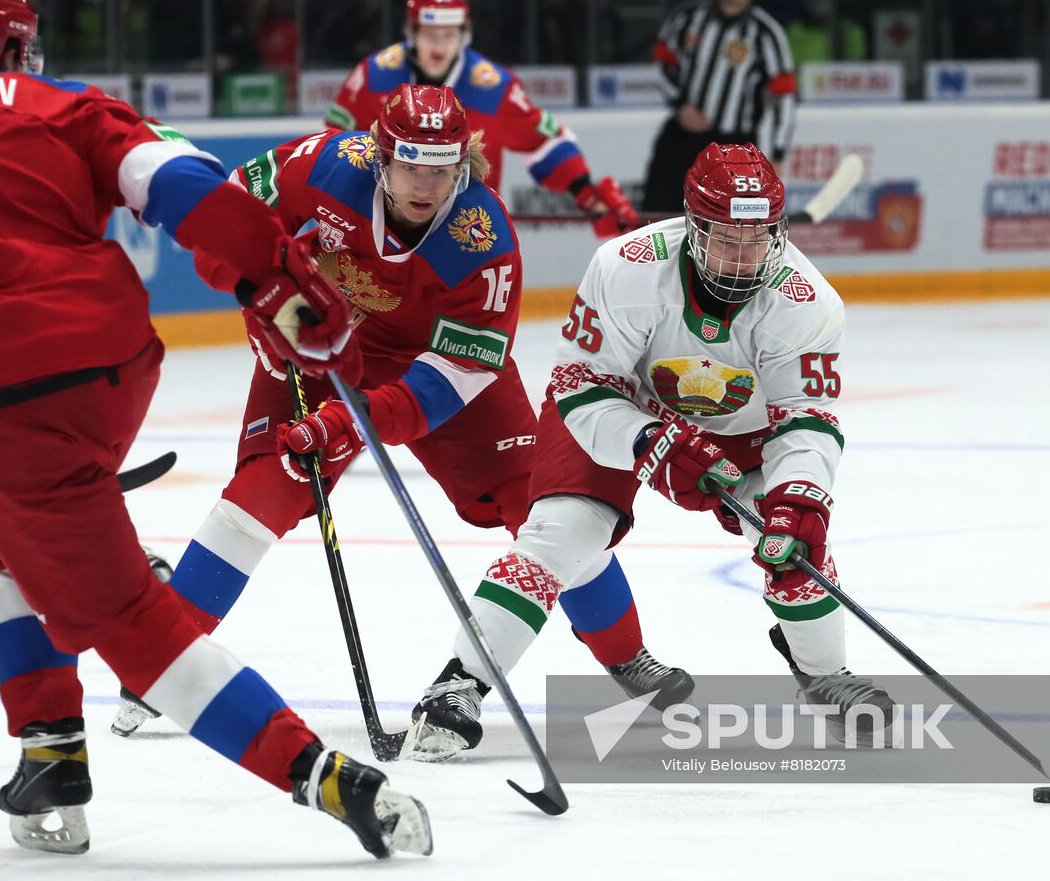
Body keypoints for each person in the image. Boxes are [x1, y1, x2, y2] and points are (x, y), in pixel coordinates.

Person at [0, 0, 430, 860]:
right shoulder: (65, 103)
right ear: (13, 47)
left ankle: (329, 777)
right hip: (116, 365)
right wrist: (280, 288)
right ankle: (49, 744)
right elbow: (188, 185)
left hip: (5, 405)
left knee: (127, 619)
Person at [112, 83, 691, 743]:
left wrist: (349, 420)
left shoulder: (483, 240)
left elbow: (446, 380)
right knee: (265, 486)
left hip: (437, 362)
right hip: (327, 335)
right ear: (378, 157)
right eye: (411, 165)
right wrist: (266, 298)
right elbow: (222, 213)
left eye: (443, 170)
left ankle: (625, 655)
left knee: (543, 506)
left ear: (463, 166)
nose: (426, 184)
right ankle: (163, 658)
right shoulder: (330, 164)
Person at [405, 143, 894, 760]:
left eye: (758, 239)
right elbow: (580, 383)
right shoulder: (626, 267)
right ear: (693, 229)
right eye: (725, 239)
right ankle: (461, 681)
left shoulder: (808, 303)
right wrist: (648, 441)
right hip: (620, 408)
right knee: (560, 533)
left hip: (738, 435)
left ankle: (826, 676)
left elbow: (806, 420)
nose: (743, 259)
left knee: (795, 541)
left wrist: (800, 496)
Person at [326, 0, 640, 240]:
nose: (439, 45)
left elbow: (546, 142)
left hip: (467, 231)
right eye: (430, 34)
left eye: (449, 35)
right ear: (412, 32)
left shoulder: (493, 88)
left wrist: (587, 194)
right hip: (383, 224)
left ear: (463, 34)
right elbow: (334, 145)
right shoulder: (373, 77)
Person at [644, 0, 797, 213]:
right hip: (682, 138)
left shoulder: (766, 33)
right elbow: (662, 62)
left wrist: (779, 151)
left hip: (736, 146)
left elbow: (784, 96)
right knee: (658, 215)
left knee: (727, 226)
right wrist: (680, 105)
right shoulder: (688, 17)